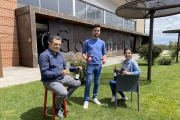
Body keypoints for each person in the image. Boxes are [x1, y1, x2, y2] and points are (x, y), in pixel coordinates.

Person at [38, 35, 82, 118]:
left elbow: (65, 67)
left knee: (77, 82)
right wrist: (60, 73)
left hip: (61, 78)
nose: (57, 46)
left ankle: (62, 101)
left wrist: (75, 68)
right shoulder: (44, 56)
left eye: (59, 44)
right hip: (49, 81)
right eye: (55, 44)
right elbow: (45, 73)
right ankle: (57, 108)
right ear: (50, 43)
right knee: (63, 92)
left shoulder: (59, 54)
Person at [82, 24, 106, 109]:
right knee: (88, 82)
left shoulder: (102, 42)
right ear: (92, 31)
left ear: (100, 32)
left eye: (98, 30)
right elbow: (83, 53)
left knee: (97, 82)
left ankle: (94, 98)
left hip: (99, 65)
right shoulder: (87, 42)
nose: (97, 32)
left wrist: (104, 59)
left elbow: (104, 53)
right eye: (95, 30)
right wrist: (86, 59)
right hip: (90, 65)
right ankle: (86, 100)